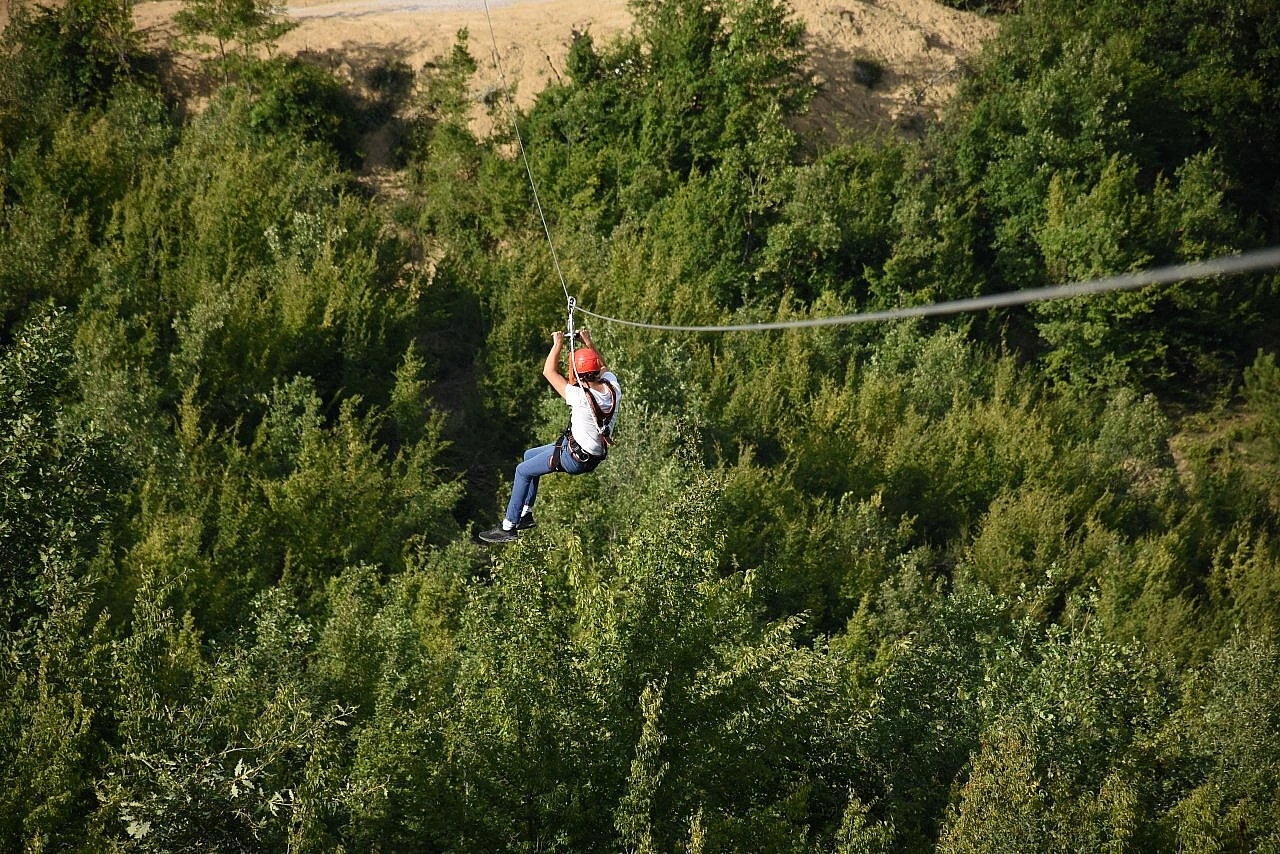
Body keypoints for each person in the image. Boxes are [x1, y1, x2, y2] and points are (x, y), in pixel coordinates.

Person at [478, 328, 621, 544]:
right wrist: (588, 343)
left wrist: (558, 343)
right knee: (529, 456)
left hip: (575, 458)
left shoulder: (579, 396)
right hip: (585, 452)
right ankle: (526, 514)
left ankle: (508, 526)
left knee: (522, 471)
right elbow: (603, 367)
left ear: (578, 374)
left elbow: (548, 372)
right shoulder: (613, 388)